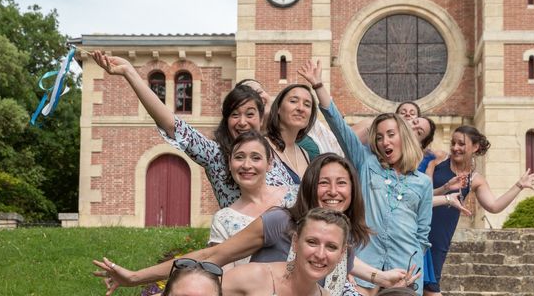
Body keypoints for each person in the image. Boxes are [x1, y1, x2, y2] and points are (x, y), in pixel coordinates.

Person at [93, 153, 417, 296]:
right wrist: (136, 278)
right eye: (324, 182)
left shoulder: (339, 241)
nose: (333, 191)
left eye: (342, 183)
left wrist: (382, 278)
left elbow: (339, 276)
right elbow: (212, 257)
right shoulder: (280, 221)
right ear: (309, 186)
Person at [91, 51, 296, 207]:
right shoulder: (215, 155)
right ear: (226, 121)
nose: (242, 122)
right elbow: (172, 124)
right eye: (235, 114)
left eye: (250, 114)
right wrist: (130, 73)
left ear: (261, 119)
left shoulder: (273, 154)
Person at [298, 60, 432, 296]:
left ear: (405, 137)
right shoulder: (366, 164)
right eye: (379, 137)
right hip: (365, 261)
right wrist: (319, 85)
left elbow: (422, 233)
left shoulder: (423, 182)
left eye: (391, 135)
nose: (384, 142)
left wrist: (414, 264)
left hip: (405, 267)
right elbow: (340, 127)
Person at [424, 126, 534, 296]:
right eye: (453, 143)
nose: (455, 147)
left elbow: (494, 206)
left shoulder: (475, 179)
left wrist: (519, 186)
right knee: (423, 286)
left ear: (475, 147)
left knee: (429, 285)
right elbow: (422, 193)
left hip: (441, 236)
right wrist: (446, 187)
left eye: (461, 144)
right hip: (420, 226)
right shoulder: (438, 159)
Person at [209, 130, 294, 269]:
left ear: (270, 163)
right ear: (230, 164)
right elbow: (225, 276)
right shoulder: (223, 220)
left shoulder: (293, 197)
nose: (247, 165)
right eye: (239, 157)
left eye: (256, 158)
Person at [220, 208, 350, 295]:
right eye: (312, 242)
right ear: (295, 242)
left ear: (342, 254)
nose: (320, 254)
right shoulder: (254, 277)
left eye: (331, 247)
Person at [237, 78, 345, 159]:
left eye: (260, 92)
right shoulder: (251, 145)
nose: (258, 98)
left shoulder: (303, 120)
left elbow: (339, 143)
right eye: (249, 96)